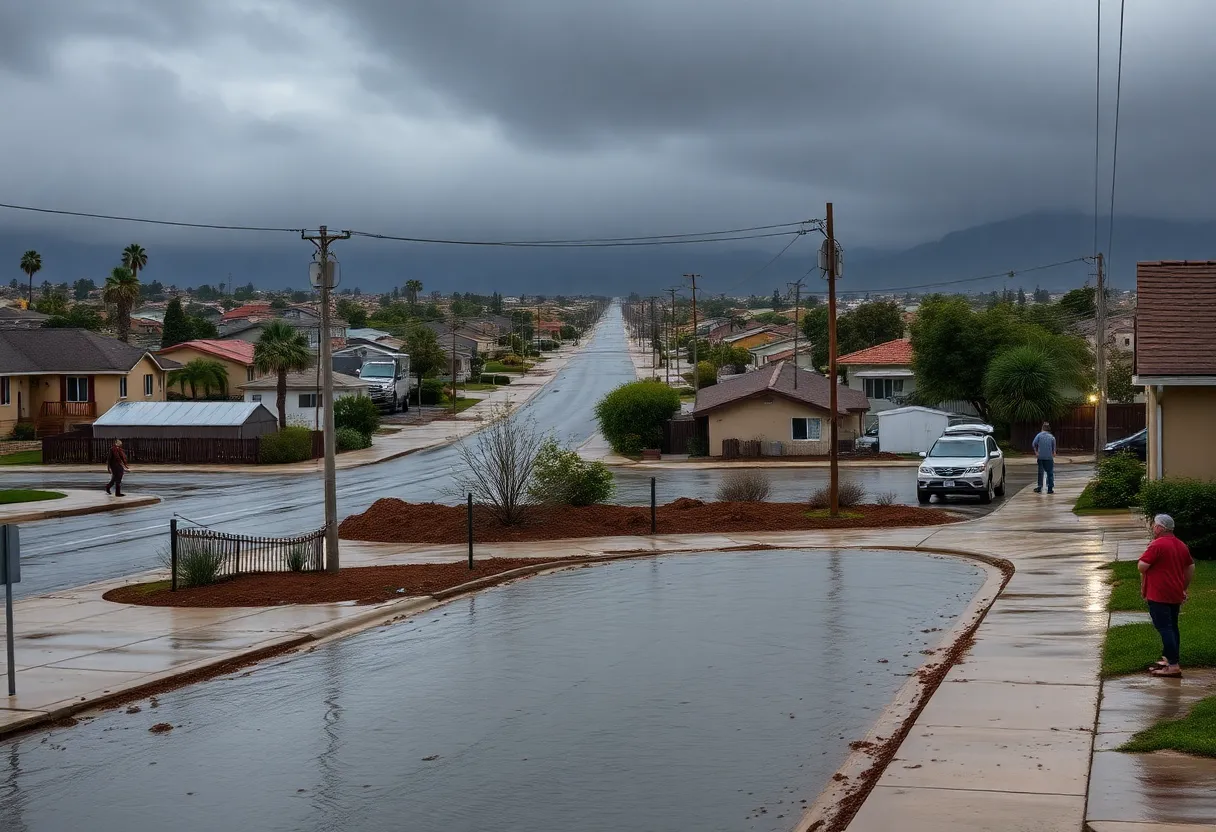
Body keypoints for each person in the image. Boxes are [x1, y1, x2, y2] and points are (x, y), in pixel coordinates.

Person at [1139, 514, 1195, 678]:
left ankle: (1173, 665)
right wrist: (1183, 587)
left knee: (1164, 627)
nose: (1153, 527)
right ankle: (1168, 658)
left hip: (1158, 593)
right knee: (1172, 626)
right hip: (1175, 592)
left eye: (1154, 525)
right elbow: (1190, 567)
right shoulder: (1181, 545)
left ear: (1160, 528)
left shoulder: (1157, 545)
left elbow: (1142, 566)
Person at [1032, 421, 1056, 494]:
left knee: (1040, 472)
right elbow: (1054, 449)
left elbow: (1033, 444)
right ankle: (1050, 488)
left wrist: (1036, 452)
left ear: (1042, 428)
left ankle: (1039, 487)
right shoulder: (1052, 437)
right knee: (1050, 472)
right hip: (1049, 457)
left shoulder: (1039, 435)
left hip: (1040, 456)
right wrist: (1053, 453)